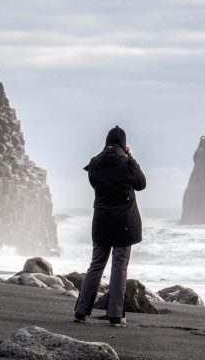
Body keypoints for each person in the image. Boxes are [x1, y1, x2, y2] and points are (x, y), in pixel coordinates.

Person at [74, 125, 146, 327]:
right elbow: (141, 183)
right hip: (124, 223)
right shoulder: (127, 163)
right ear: (124, 145)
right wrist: (131, 158)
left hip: (101, 221)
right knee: (119, 266)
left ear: (106, 142)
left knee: (96, 264)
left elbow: (95, 184)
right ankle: (115, 315)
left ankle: (81, 311)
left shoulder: (94, 163)